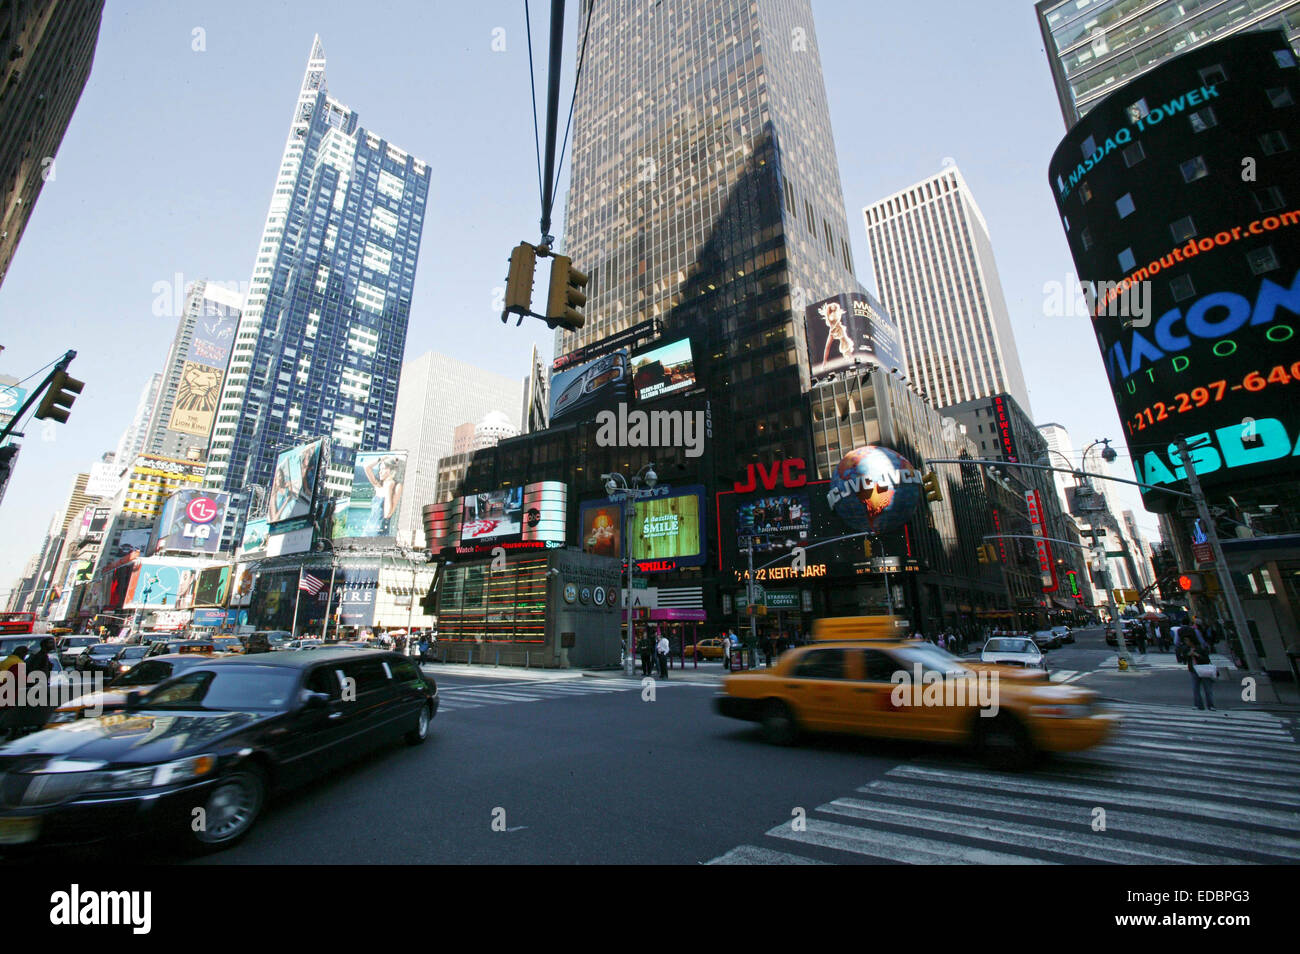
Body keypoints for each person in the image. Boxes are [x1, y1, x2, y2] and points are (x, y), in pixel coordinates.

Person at [1188, 640, 1216, 710]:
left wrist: (1197, 655)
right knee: (1195, 688)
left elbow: (1206, 660)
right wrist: (1188, 654)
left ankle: (1210, 705)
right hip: (1194, 670)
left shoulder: (1201, 648)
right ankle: (1198, 705)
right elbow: (1184, 658)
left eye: (1187, 640)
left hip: (1203, 669)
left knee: (1207, 689)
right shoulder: (1187, 649)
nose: (1187, 642)